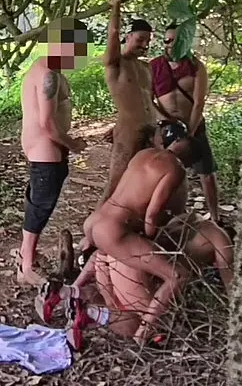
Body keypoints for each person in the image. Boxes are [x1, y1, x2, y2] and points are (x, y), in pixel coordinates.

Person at [42, 122, 199, 344]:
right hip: (114, 229)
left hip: (97, 221)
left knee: (106, 253)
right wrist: (151, 238)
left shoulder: (144, 154)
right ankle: (143, 334)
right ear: (189, 161)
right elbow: (152, 214)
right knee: (177, 275)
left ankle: (67, 293)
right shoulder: (176, 169)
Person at [55, 212, 233, 349]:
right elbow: (231, 290)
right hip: (132, 272)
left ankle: (73, 292)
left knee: (113, 300)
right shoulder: (220, 238)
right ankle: (92, 314)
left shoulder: (183, 218)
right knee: (153, 324)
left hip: (110, 256)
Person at [17, 17, 90, 286]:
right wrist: (73, 144)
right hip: (44, 147)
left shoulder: (49, 69)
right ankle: (26, 266)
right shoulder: (48, 74)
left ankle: (26, 257)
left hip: (46, 147)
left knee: (40, 203)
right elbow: (47, 123)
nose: (80, 54)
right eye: (78, 47)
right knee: (40, 206)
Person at [151, 23, 222, 222]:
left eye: (175, 40)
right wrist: (165, 121)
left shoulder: (196, 67)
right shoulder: (154, 66)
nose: (169, 44)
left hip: (193, 125)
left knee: (206, 173)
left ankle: (215, 217)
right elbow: (148, 100)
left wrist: (190, 131)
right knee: (165, 172)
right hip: (166, 129)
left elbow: (199, 102)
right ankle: (165, 216)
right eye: (166, 40)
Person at [99, 0, 158, 208]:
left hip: (151, 130)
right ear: (128, 36)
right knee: (115, 184)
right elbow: (113, 33)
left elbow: (147, 101)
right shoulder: (115, 63)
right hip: (130, 131)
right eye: (140, 39)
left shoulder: (145, 67)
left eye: (148, 41)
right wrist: (116, 5)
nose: (144, 45)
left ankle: (128, 221)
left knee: (144, 182)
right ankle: (94, 226)